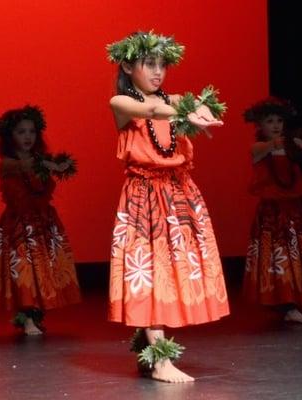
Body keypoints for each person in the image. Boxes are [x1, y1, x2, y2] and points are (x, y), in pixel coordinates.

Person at [106, 31, 230, 383]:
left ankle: (150, 351)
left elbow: (185, 103)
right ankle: (160, 360)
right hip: (144, 198)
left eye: (163, 65)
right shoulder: (121, 103)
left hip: (178, 195)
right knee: (151, 271)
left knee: (174, 273)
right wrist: (188, 109)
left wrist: (201, 111)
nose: (158, 72)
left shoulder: (174, 99)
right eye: (150, 64)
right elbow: (152, 108)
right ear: (128, 66)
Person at [0, 105, 80, 335]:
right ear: (10, 136)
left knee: (43, 270)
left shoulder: (41, 160)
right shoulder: (7, 162)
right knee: (24, 271)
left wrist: (55, 165)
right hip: (19, 224)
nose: (27, 136)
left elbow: (47, 177)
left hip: (43, 222)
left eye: (31, 131)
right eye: (21, 132)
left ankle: (35, 315)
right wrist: (50, 165)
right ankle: (26, 318)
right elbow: (25, 167)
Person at [242, 97, 302, 324]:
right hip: (272, 213)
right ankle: (282, 302)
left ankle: (292, 301)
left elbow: (299, 147)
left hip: (294, 211)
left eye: (279, 120)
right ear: (260, 125)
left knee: (295, 254)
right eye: (270, 121)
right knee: (277, 256)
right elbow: (272, 146)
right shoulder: (259, 148)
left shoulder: (289, 146)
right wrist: (296, 142)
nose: (276, 125)